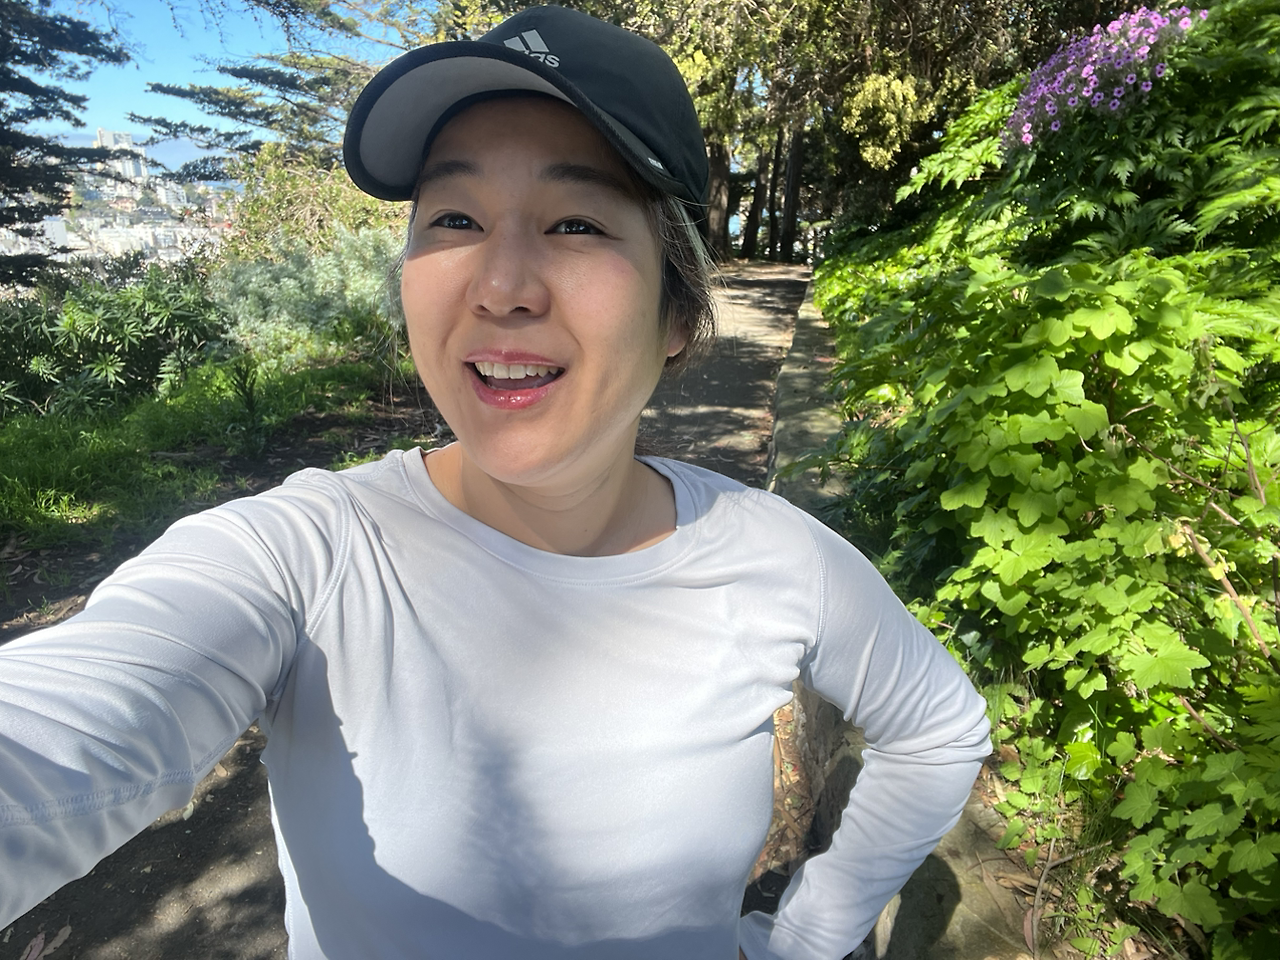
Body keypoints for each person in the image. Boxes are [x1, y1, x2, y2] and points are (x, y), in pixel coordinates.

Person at [0, 6, 990, 959]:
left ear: (679, 314)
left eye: (576, 222)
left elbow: (940, 732)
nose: (501, 286)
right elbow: (64, 733)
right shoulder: (304, 554)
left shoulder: (775, 556)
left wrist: (798, 942)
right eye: (456, 217)